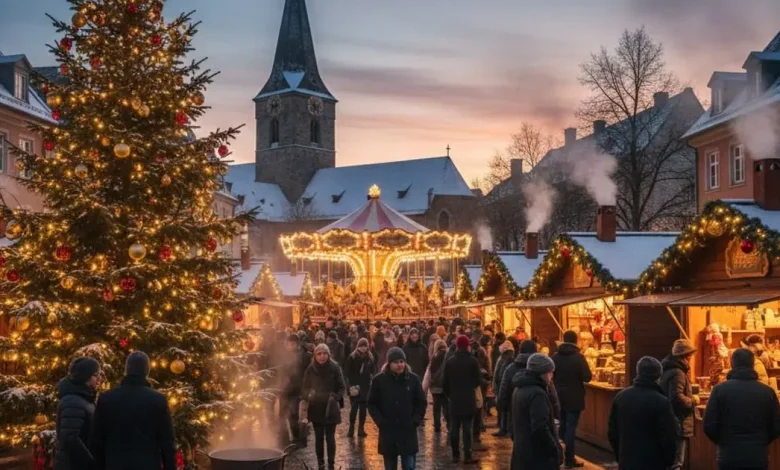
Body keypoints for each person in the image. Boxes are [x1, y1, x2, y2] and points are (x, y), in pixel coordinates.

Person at [90, 351, 176, 470]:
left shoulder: (107, 398)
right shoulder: (158, 400)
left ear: (126, 370)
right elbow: (167, 442)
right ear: (147, 371)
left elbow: (97, 440)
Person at [703, 348, 780, 470]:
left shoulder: (719, 390)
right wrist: (762, 441)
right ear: (752, 364)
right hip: (758, 455)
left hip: (728, 455)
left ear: (733, 364)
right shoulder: (767, 392)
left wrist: (723, 442)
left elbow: (709, 425)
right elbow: (776, 426)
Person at [608, 356, 678, 470]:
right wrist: (668, 461)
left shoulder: (621, 397)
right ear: (658, 376)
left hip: (627, 461)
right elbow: (668, 436)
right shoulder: (661, 401)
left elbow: (612, 432)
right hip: (653, 462)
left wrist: (620, 455)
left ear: (638, 372)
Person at [367, 347, 426, 470]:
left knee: (409, 466)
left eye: (402, 361)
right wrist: (381, 422)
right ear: (389, 363)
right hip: (388, 431)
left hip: (408, 431)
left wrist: (415, 420)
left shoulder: (413, 379)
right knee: (390, 466)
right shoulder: (379, 380)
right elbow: (372, 404)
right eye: (396, 362)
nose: (400, 365)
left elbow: (421, 402)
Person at [510, 353, 562, 470]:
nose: (552, 376)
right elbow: (540, 427)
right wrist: (554, 448)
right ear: (543, 373)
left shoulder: (519, 388)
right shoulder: (537, 393)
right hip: (537, 457)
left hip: (522, 453)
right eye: (550, 372)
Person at [300, 343, 346, 470]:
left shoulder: (335, 367)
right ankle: (321, 463)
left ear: (329, 354)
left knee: (330, 437)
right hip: (316, 407)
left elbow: (342, 387)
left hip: (331, 407)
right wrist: (309, 395)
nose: (322, 356)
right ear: (315, 355)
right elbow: (304, 389)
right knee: (319, 437)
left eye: (325, 353)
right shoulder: (310, 369)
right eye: (319, 354)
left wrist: (335, 397)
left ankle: (331, 463)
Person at [551, 330, 592, 469]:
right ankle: (569, 459)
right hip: (575, 397)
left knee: (561, 426)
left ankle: (559, 456)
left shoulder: (555, 357)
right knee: (570, 428)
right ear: (575, 341)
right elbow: (587, 377)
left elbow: (551, 375)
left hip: (558, 396)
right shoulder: (578, 357)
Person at [54, 357, 101, 470]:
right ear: (86, 377)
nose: (99, 379)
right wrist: (91, 462)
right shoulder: (73, 401)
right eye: (96, 375)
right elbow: (70, 438)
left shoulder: (85, 398)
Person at [660, 339, 698, 470]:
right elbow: (676, 397)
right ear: (686, 357)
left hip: (671, 421)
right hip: (678, 422)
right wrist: (694, 401)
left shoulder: (668, 369)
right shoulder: (678, 373)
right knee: (676, 462)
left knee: (671, 461)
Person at [443, 335, 481, 464]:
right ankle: (467, 455)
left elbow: (445, 383)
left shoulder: (450, 361)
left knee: (454, 428)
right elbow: (477, 381)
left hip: (454, 400)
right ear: (467, 346)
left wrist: (450, 395)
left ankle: (455, 455)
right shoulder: (473, 361)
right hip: (468, 399)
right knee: (467, 428)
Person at [282, 333, 311, 447]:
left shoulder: (302, 355)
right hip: (290, 388)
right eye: (288, 344)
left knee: (299, 415)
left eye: (291, 344)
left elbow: (303, 371)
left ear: (296, 344)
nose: (289, 346)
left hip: (299, 388)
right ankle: (296, 438)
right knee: (292, 414)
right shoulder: (288, 354)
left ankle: (301, 439)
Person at [344, 337, 376, 438]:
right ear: (358, 346)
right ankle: (351, 428)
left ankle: (361, 429)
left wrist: (371, 376)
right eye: (361, 346)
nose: (363, 348)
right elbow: (347, 372)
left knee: (363, 409)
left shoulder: (370, 357)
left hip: (365, 386)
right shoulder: (352, 357)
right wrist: (352, 384)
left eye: (365, 346)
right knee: (354, 408)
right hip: (355, 386)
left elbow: (373, 369)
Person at [491, 340, 515, 437]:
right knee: (504, 409)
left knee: (504, 409)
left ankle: (504, 429)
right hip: (503, 386)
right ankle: (504, 428)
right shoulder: (506, 358)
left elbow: (501, 374)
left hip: (503, 387)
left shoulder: (506, 358)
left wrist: (497, 386)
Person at [428, 339, 450, 433]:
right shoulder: (448, 356)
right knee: (446, 406)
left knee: (436, 407)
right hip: (444, 385)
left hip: (434, 386)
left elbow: (430, 372)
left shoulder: (434, 357)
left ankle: (437, 426)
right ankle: (449, 425)